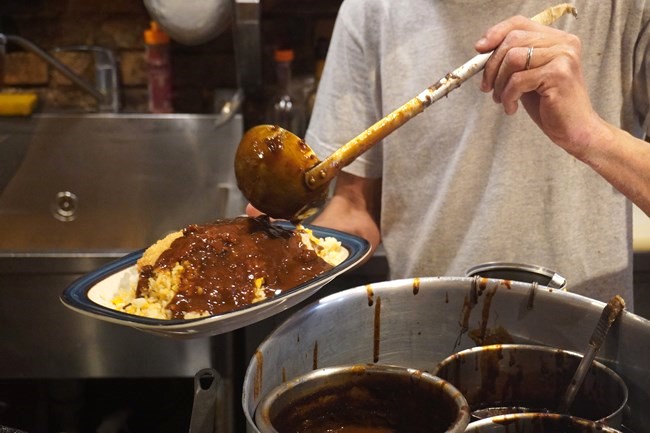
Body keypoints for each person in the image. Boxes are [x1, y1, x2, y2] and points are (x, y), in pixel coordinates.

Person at [251, 1, 650, 308]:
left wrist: (590, 135)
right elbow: (355, 207)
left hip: (589, 355)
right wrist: (280, 252)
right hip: (428, 345)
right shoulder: (372, 9)